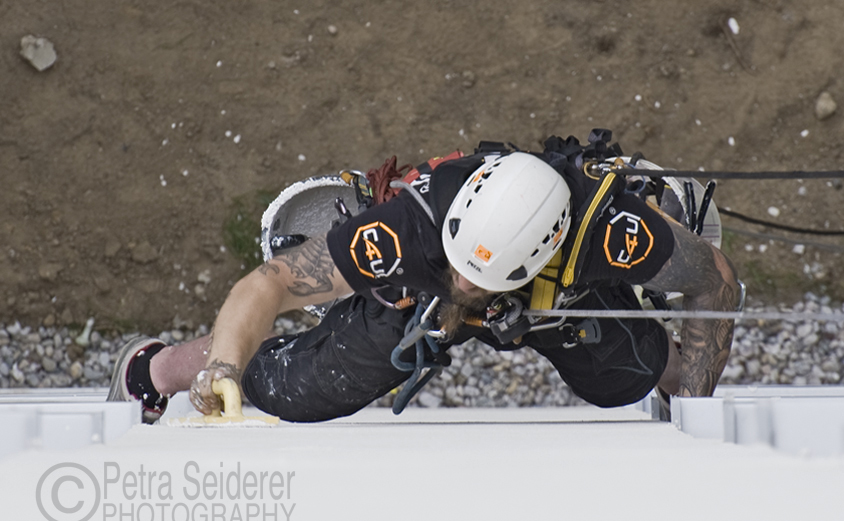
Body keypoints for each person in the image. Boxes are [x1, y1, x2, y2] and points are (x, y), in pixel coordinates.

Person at [108, 130, 740, 424]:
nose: (469, 290)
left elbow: (717, 283)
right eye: (465, 270)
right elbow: (265, 286)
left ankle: (671, 364)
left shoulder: (615, 234)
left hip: (562, 296)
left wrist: (697, 400)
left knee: (624, 378)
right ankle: (157, 369)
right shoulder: (413, 227)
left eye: (481, 282)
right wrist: (223, 368)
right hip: (419, 288)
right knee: (306, 387)